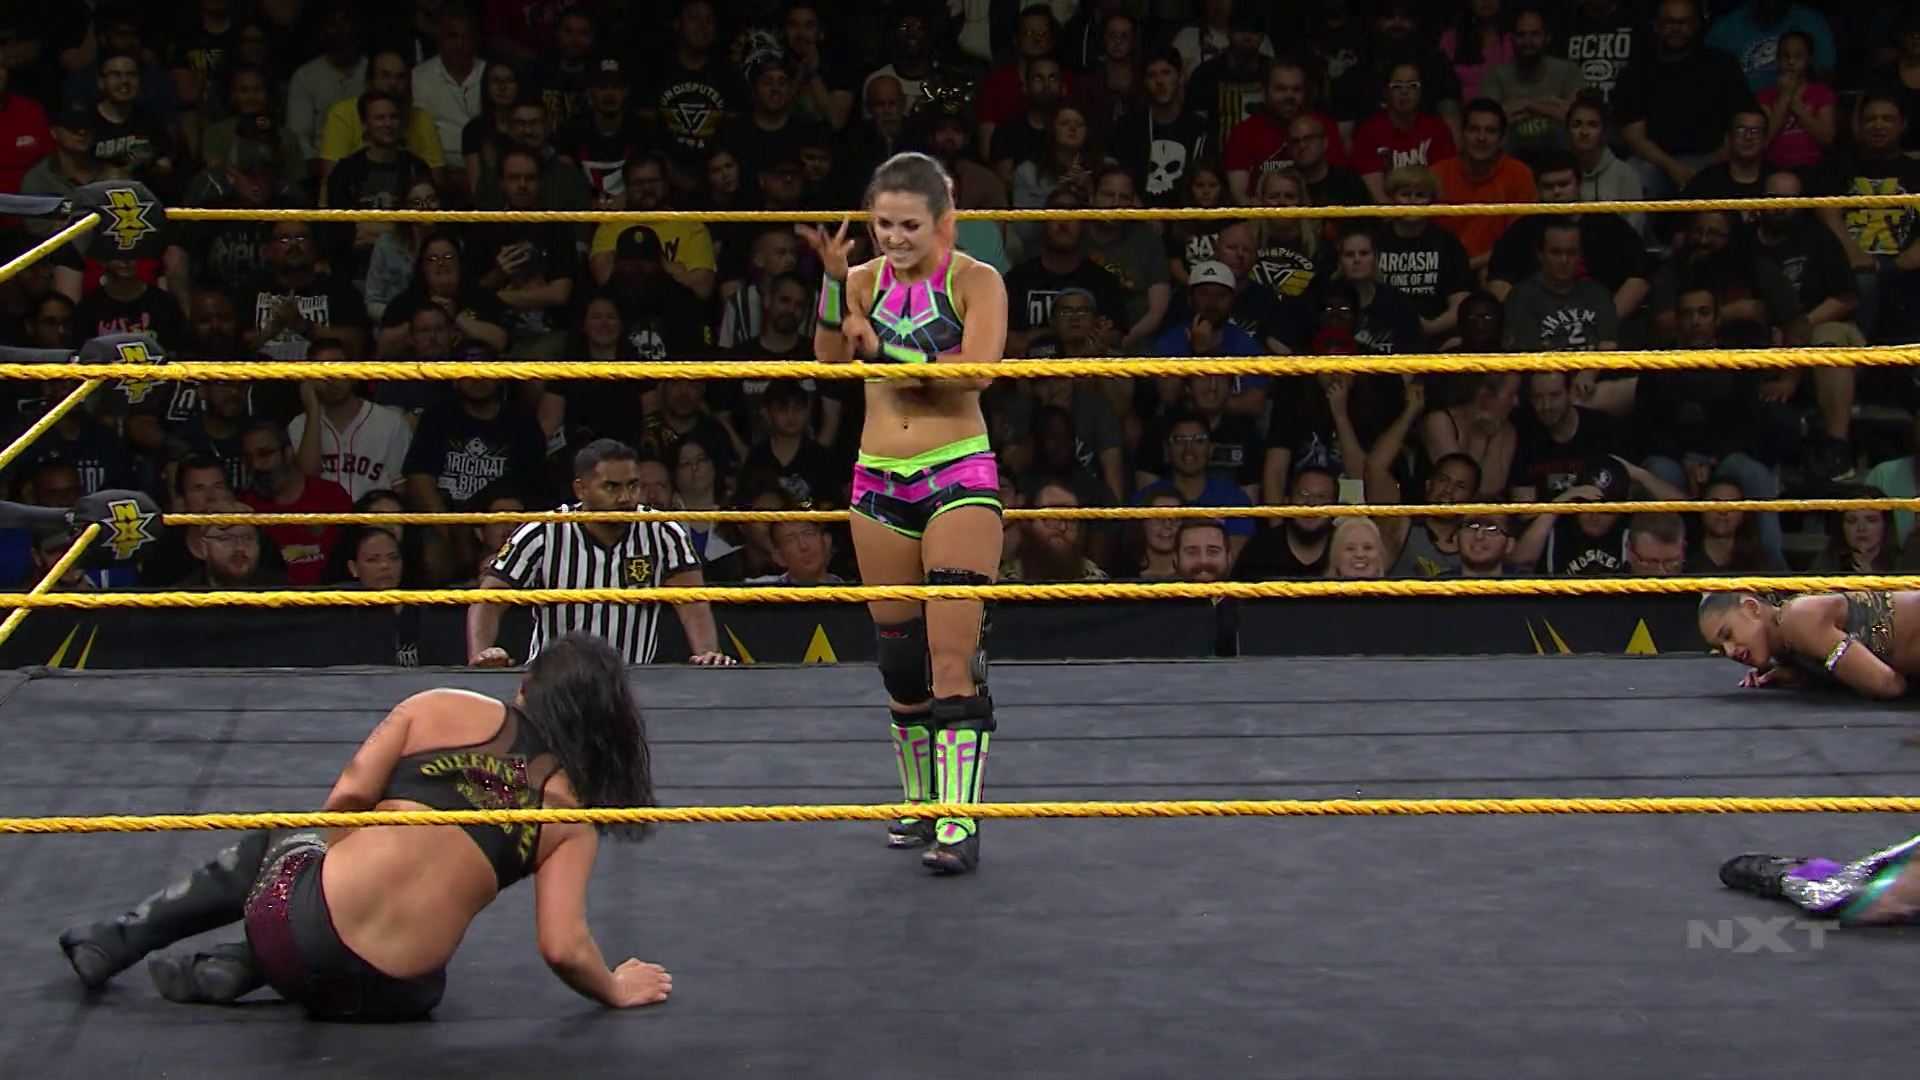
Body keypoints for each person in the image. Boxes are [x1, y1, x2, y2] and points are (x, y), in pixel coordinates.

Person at [56, 634, 673, 1020]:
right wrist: (615, 988)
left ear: (524, 685)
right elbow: (563, 947)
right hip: (386, 998)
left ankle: (119, 940)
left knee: (282, 843)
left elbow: (348, 797)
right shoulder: (569, 817)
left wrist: (336, 881)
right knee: (411, 961)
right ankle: (239, 963)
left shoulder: (438, 706)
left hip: (291, 927)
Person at [798, 151, 1007, 875]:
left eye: (909, 225)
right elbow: (829, 361)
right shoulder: (860, 280)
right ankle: (919, 800)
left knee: (952, 656)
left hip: (957, 472)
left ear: (942, 222)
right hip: (878, 478)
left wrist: (883, 349)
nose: (894, 237)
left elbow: (974, 373)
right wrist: (833, 285)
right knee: (898, 656)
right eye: (883, 224)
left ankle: (960, 817)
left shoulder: (977, 281)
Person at [1696, 590, 1915, 698]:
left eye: (1728, 635)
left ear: (1751, 608)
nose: (1730, 651)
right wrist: (1800, 673)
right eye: (1721, 648)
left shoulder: (1798, 618)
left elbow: (1888, 684)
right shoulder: (1789, 645)